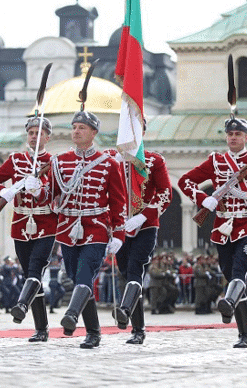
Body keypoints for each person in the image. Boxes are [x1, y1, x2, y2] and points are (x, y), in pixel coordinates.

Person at [178, 116, 247, 348]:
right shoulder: (216, 161)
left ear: (246, 138)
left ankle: (230, 305)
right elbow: (185, 181)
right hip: (222, 228)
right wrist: (203, 199)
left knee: (239, 270)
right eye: (230, 134)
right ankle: (243, 332)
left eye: (238, 134)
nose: (233, 137)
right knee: (232, 277)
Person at [27, 107, 125, 349]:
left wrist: (119, 234)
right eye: (73, 127)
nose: (76, 131)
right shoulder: (60, 162)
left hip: (96, 228)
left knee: (84, 274)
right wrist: (37, 188)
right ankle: (94, 332)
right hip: (68, 229)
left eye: (81, 128)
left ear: (93, 132)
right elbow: (51, 194)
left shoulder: (108, 163)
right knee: (77, 278)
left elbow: (118, 202)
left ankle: (71, 316)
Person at [0, 116, 57, 342]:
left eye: (39, 133)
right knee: (29, 276)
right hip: (21, 224)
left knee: (35, 270)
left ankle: (22, 306)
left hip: (46, 225)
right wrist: (2, 192)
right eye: (31, 133)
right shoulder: (15, 160)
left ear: (47, 137)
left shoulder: (54, 162)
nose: (35, 137)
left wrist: (41, 188)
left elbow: (59, 191)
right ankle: (41, 329)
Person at [108, 136, 172, 344]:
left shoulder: (154, 160)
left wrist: (144, 215)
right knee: (126, 273)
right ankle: (138, 326)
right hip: (118, 226)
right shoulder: (110, 158)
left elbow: (165, 193)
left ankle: (127, 313)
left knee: (136, 268)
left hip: (145, 225)